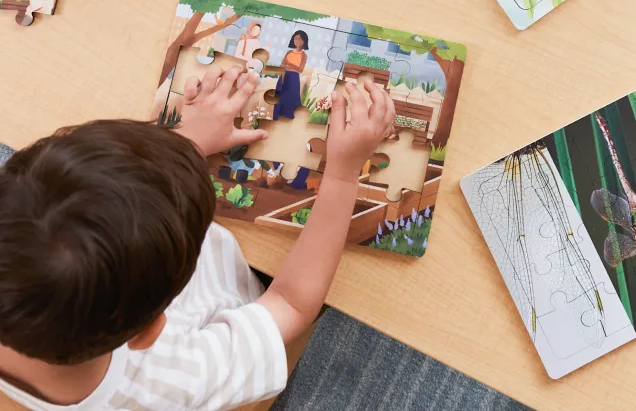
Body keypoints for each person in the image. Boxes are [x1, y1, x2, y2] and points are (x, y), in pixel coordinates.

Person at [0, 66, 395, 411]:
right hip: (248, 297)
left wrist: (185, 143)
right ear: (150, 330)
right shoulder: (173, 381)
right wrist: (344, 172)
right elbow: (290, 304)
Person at [273, 30, 310, 120]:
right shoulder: (289, 52)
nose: (297, 40)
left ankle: (287, 116)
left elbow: (300, 69)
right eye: (295, 38)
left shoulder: (304, 55)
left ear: (304, 41)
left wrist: (289, 64)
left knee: (289, 98)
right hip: (283, 76)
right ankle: (275, 115)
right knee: (278, 96)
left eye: (300, 39)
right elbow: (282, 65)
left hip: (293, 78)